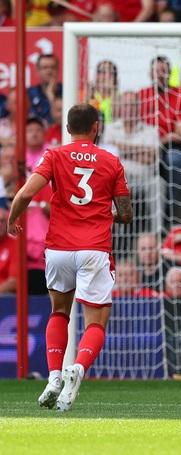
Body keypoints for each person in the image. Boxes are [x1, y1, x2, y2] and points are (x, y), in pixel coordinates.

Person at [6, 103, 133, 410]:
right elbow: (126, 213)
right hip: (94, 248)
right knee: (96, 321)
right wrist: (104, 213)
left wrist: (12, 220)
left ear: (67, 129)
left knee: (59, 312)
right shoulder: (111, 161)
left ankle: (52, 376)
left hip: (59, 248)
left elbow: (24, 194)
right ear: (96, 127)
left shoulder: (53, 155)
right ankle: (77, 368)